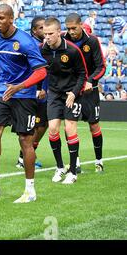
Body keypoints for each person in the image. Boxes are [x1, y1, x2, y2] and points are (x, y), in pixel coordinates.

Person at [0, 4, 47, 203]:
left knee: (25, 140)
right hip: (2, 93)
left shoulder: (25, 41)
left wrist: (19, 86)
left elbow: (41, 71)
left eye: (1, 18)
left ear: (11, 18)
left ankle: (30, 190)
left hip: (24, 94)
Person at [41, 17, 87, 184]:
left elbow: (83, 74)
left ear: (59, 32)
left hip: (71, 93)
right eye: (45, 34)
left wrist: (74, 93)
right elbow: (38, 70)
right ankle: (60, 167)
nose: (47, 37)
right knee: (52, 129)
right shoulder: (42, 49)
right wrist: (40, 88)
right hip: (54, 93)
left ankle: (73, 171)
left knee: (70, 129)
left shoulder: (73, 50)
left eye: (50, 34)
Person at [64, 13, 106, 173]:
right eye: (68, 28)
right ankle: (76, 163)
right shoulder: (63, 40)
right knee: (69, 126)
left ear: (81, 24)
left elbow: (100, 66)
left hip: (90, 91)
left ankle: (99, 161)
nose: (71, 31)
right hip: (71, 90)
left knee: (94, 125)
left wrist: (91, 80)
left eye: (74, 28)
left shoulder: (92, 41)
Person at [16, 16, 47, 170]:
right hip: (32, 92)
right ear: (34, 30)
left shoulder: (44, 44)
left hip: (43, 91)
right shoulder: (32, 45)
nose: (45, 30)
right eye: (41, 27)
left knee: (43, 125)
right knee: (35, 126)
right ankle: (24, 157)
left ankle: (27, 154)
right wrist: (39, 88)